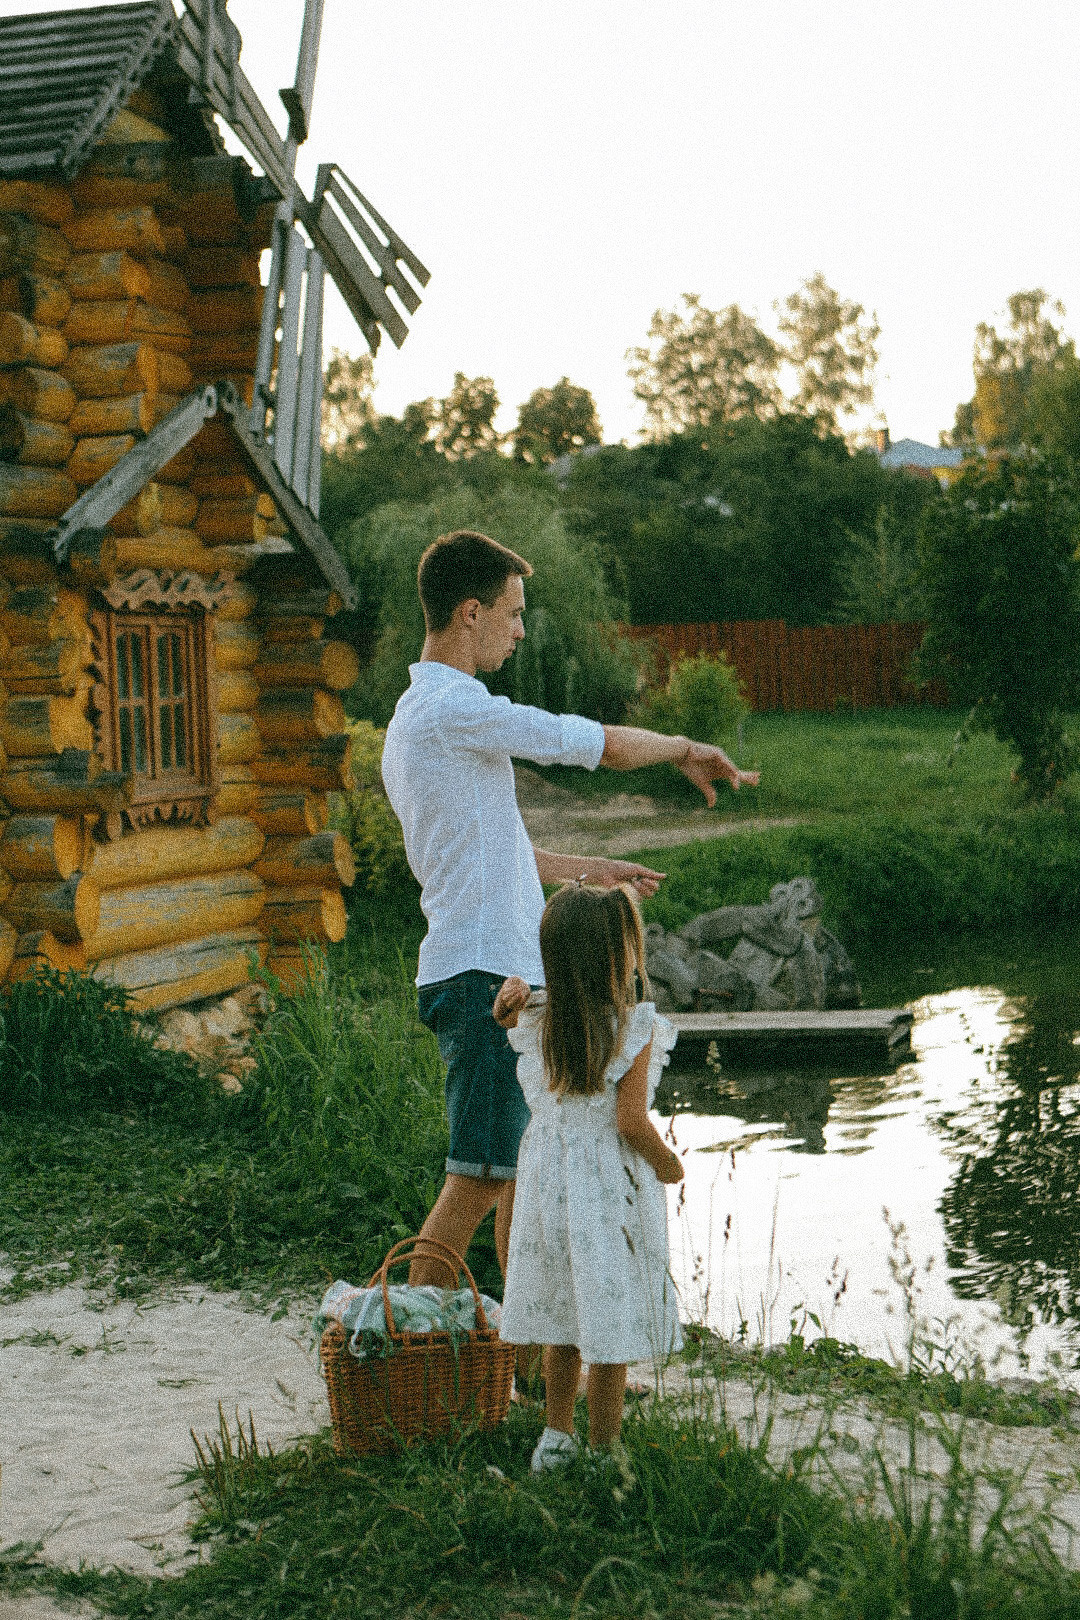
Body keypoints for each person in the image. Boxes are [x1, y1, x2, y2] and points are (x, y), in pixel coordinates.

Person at [380, 528, 757, 1289]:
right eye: (513, 614)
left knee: (516, 1176)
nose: (521, 630)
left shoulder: (423, 717)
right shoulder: (455, 708)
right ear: (470, 613)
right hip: (484, 978)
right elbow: (588, 744)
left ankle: (513, 1360)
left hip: (488, 969)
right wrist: (682, 745)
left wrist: (592, 871)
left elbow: (495, 850)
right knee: (481, 1177)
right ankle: (401, 1343)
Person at [493, 881, 683, 1470]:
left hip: (550, 1188)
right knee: (612, 1321)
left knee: (563, 1321)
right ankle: (603, 1450)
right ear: (614, 957)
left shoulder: (540, 1022)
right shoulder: (634, 1027)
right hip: (607, 1193)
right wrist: (668, 1162)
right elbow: (630, 1121)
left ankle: (556, 1438)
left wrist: (506, 1003)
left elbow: (504, 1018)